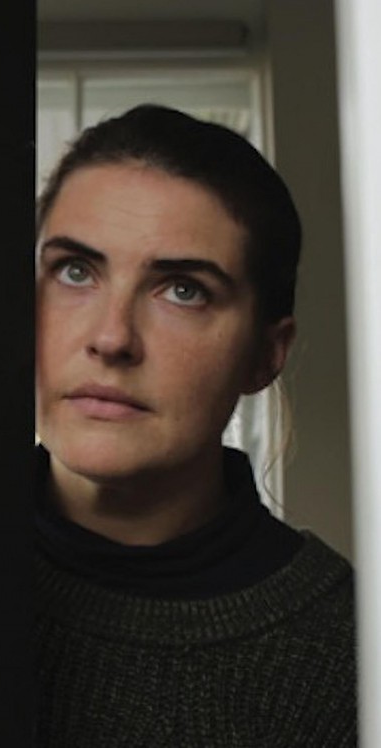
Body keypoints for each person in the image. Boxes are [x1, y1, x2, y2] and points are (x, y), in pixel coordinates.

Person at [34, 104, 356, 746]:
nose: (111, 338)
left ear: (266, 353)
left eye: (184, 290)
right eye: (76, 271)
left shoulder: (348, 650)